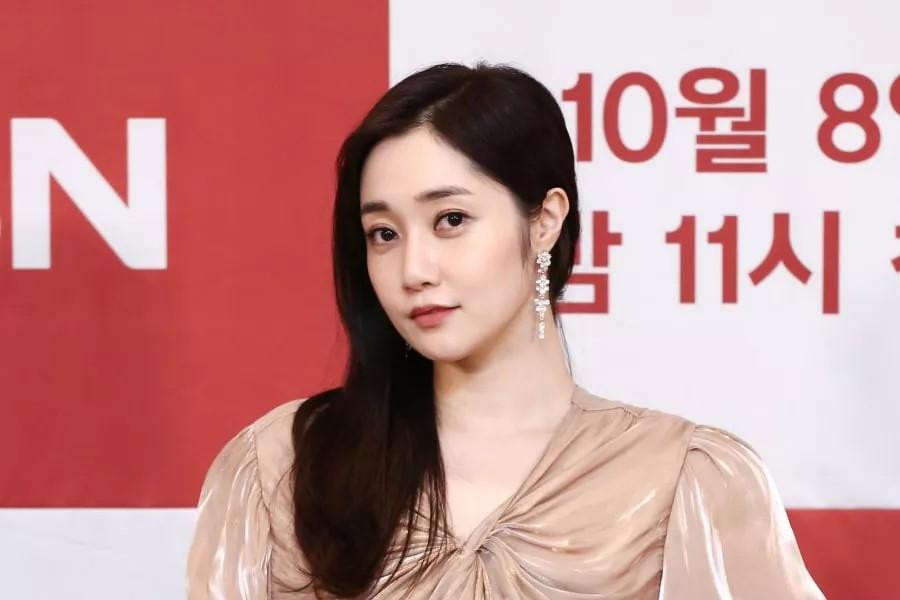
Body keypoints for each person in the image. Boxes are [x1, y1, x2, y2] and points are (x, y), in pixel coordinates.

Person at [186, 61, 826, 599]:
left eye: (451, 220)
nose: (413, 270)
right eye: (384, 233)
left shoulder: (683, 478)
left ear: (545, 220)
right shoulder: (281, 466)